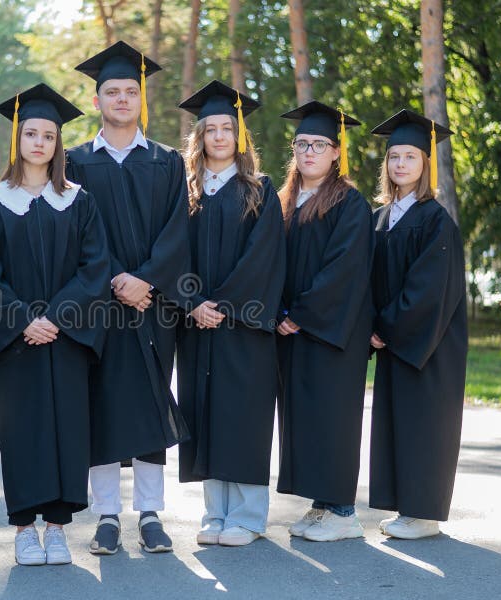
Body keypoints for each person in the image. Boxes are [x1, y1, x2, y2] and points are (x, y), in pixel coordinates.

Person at [0, 83, 110, 566]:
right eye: (31, 133)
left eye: (48, 136)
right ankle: (25, 529)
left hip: (66, 338)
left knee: (68, 430)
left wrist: (55, 317)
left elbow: (95, 269)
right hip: (15, 344)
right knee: (22, 430)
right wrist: (24, 320)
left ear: (57, 145)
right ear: (18, 139)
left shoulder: (78, 200)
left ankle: (57, 529)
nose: (39, 143)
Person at [66, 40, 191, 555]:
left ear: (141, 99)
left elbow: (177, 231)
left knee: (149, 404)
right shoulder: (73, 162)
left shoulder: (166, 162)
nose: (121, 99)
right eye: (111, 91)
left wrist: (146, 280)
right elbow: (72, 235)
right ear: (97, 101)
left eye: (129, 91)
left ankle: (151, 513)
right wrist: (115, 279)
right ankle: (106, 517)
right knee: (99, 404)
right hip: (97, 307)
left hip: (152, 306)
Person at [176, 81, 285, 547]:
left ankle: (248, 517)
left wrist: (220, 305)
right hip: (197, 324)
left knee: (242, 414)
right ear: (199, 137)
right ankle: (215, 513)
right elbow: (171, 255)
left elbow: (265, 257)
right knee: (206, 412)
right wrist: (191, 302)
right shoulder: (185, 193)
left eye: (228, 128)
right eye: (211, 128)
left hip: (244, 326)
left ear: (239, 136)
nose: (219, 136)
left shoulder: (260, 190)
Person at [276, 101, 374, 542]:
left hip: (334, 330)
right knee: (305, 416)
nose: (309, 151)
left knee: (333, 416)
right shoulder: (285, 200)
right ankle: (321, 504)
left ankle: (343, 510)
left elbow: (343, 269)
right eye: (302, 143)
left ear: (337, 152)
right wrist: (277, 312)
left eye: (319, 144)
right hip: (293, 328)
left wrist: (300, 314)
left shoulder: (349, 203)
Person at [368, 110, 467, 539]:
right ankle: (407, 508)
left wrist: (385, 328)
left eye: (410, 156)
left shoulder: (435, 220)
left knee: (425, 420)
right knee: (397, 420)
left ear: (426, 164)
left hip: (429, 341)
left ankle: (425, 513)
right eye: (394, 157)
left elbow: (427, 292)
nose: (401, 164)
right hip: (395, 337)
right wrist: (371, 324)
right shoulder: (382, 217)